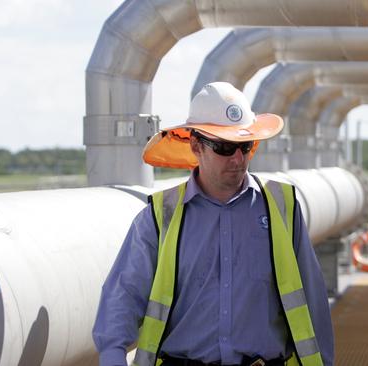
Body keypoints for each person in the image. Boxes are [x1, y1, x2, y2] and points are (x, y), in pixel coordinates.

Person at [92, 82, 334, 366]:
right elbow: (123, 295)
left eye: (246, 146)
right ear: (196, 146)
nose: (238, 159)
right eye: (225, 147)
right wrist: (112, 356)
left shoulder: (283, 208)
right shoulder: (160, 216)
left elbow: (314, 302)